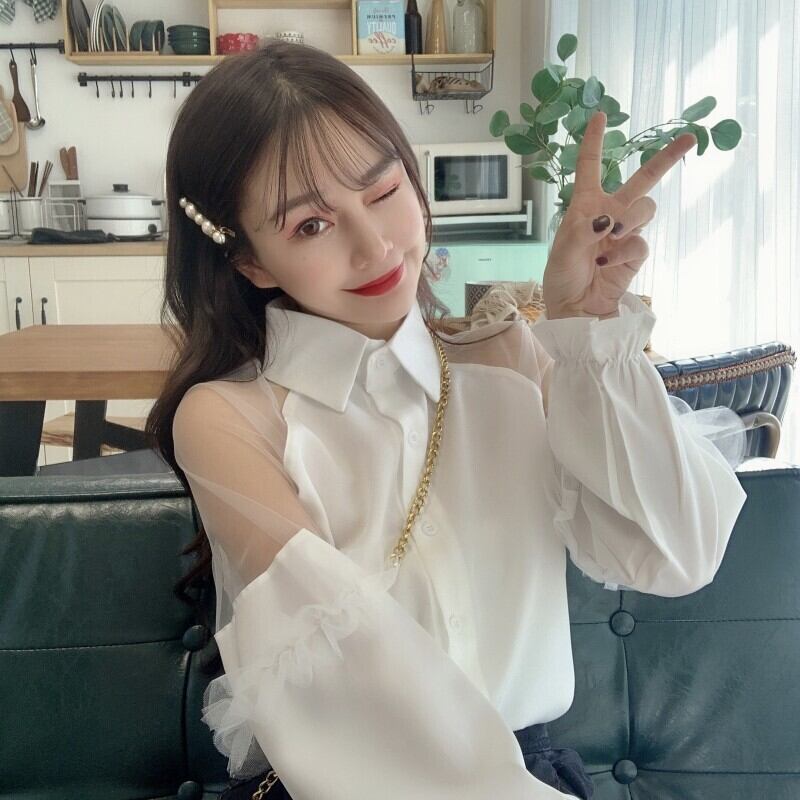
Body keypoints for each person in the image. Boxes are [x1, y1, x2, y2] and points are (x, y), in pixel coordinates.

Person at [146, 40, 749, 799]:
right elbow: (350, 684)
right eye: (309, 226)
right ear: (251, 262)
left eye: (382, 190)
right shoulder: (230, 418)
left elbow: (674, 554)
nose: (375, 246)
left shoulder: (509, 359)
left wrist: (588, 328)